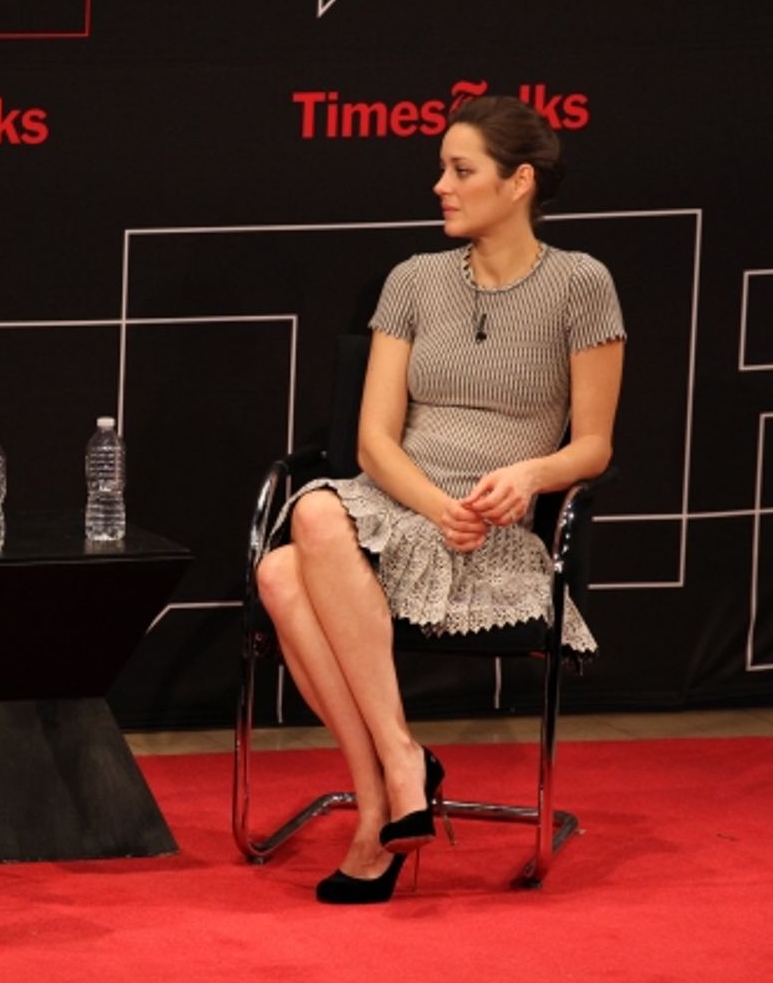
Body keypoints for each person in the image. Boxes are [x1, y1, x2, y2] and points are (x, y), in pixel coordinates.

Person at [255, 96, 625, 904]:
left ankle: (385, 802)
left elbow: (594, 445)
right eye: (442, 169)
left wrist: (531, 476)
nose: (441, 186)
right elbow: (373, 442)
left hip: (488, 531)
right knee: (308, 520)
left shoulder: (581, 284)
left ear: (519, 182)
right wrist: (429, 504)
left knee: (283, 571)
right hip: (396, 502)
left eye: (461, 170)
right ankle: (393, 773)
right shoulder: (414, 280)